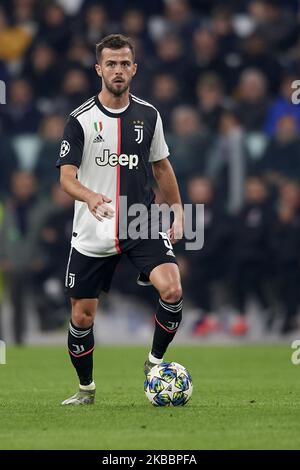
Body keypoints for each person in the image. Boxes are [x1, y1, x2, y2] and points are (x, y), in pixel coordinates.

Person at [56, 34, 184, 405]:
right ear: (98, 69)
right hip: (94, 225)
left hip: (139, 219)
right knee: (82, 317)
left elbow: (161, 167)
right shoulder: (79, 120)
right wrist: (91, 195)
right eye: (110, 64)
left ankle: (155, 364)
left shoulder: (149, 114)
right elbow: (66, 178)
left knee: (173, 290)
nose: (118, 70)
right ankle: (86, 390)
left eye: (124, 63)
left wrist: (177, 211)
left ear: (134, 69)